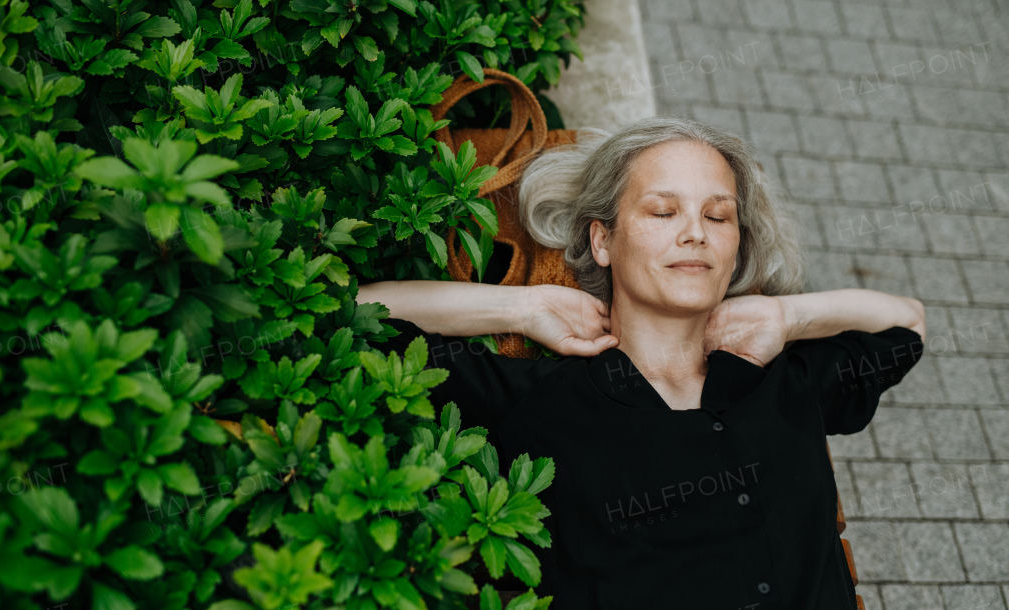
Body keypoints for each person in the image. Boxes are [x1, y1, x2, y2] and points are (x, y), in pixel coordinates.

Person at [357, 117, 926, 609]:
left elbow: (906, 323)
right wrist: (523, 307)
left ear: (736, 249)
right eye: (663, 211)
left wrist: (787, 317)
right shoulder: (543, 400)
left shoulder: (785, 380)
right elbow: (359, 314)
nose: (695, 233)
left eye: (719, 217)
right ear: (602, 241)